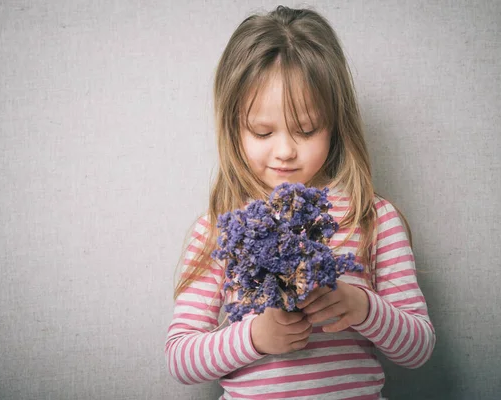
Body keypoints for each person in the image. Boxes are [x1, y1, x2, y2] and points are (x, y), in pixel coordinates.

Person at [165, 5, 436, 399]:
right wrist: (255, 336)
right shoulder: (222, 228)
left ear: (335, 125)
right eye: (262, 132)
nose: (285, 151)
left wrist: (361, 307)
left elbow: (418, 349)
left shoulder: (373, 218)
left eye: (306, 130)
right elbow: (180, 358)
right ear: (233, 129)